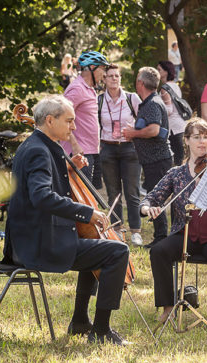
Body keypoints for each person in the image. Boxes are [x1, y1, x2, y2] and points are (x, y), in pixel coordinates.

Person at [3, 95, 130, 346]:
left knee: (91, 243)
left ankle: (81, 321)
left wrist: (69, 169)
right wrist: (86, 212)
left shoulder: (34, 145)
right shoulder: (40, 151)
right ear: (50, 120)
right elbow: (42, 197)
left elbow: (42, 186)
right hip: (38, 246)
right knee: (117, 251)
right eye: (69, 121)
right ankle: (101, 331)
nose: (74, 127)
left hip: (26, 240)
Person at [140, 118, 207, 328]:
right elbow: (150, 198)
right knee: (158, 251)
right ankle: (168, 308)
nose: (202, 142)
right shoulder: (176, 174)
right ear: (186, 140)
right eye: (197, 137)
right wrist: (148, 208)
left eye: (206, 137)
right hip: (185, 234)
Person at [122, 67, 172, 248]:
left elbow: (154, 130)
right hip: (153, 160)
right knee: (156, 196)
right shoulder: (151, 102)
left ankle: (161, 237)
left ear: (140, 83)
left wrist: (133, 133)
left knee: (156, 198)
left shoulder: (152, 103)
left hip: (158, 160)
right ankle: (163, 235)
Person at [98, 64, 143, 246]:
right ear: (104, 79)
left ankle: (136, 231)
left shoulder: (132, 98)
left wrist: (134, 130)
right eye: (110, 76)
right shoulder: (99, 100)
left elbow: (143, 122)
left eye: (117, 76)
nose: (114, 79)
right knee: (113, 192)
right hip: (108, 148)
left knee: (132, 191)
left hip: (130, 148)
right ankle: (117, 229)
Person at [62, 50, 110, 183]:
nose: (104, 73)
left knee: (91, 196)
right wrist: (75, 145)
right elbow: (61, 118)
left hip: (91, 150)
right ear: (92, 67)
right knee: (80, 198)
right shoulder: (77, 89)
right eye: (102, 68)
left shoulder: (89, 88)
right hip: (79, 152)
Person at [157, 60, 187, 166]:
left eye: (159, 69)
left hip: (173, 128)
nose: (157, 72)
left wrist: (156, 110)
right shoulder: (175, 85)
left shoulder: (164, 88)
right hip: (181, 126)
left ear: (166, 72)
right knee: (181, 159)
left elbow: (169, 110)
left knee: (177, 162)